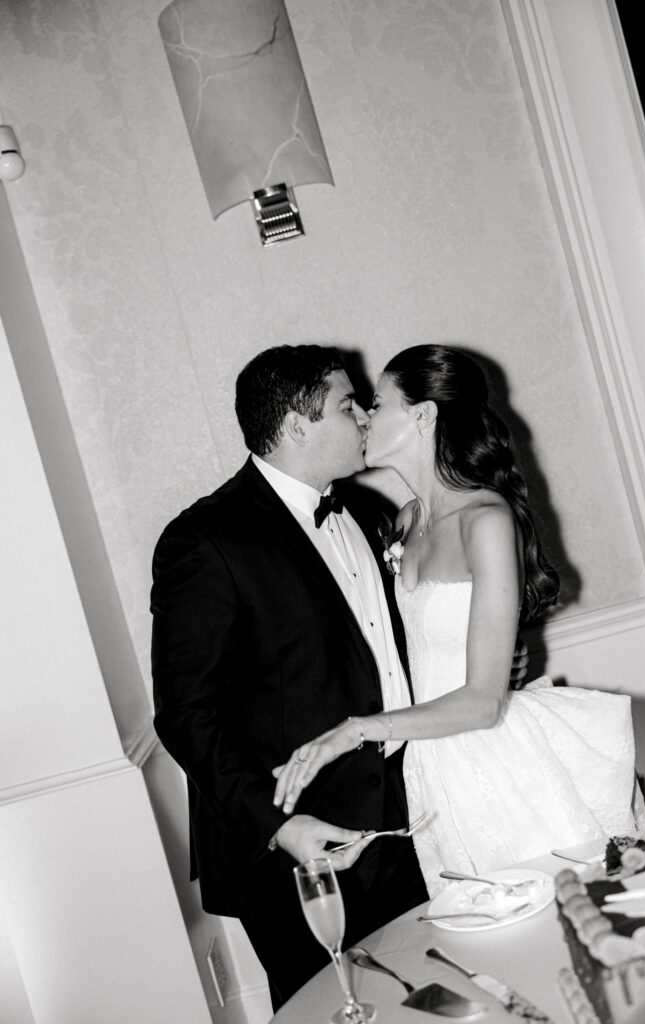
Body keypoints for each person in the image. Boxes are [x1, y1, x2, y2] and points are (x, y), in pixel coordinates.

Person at [273, 344, 645, 898]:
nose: (365, 418)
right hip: (429, 767)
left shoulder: (486, 520)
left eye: (377, 404)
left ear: (423, 415)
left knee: (552, 911)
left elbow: (484, 702)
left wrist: (356, 730)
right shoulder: (401, 521)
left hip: (495, 759)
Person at [150, 344, 431, 1009]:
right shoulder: (206, 539)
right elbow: (186, 716)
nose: (364, 417)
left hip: (400, 817)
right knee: (331, 1010)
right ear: (297, 425)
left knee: (425, 994)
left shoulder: (363, 511)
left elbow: (379, 654)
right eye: (347, 405)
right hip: (295, 845)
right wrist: (281, 828)